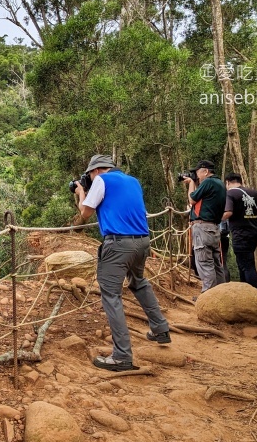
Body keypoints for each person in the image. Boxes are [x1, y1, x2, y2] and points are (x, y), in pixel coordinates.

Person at [75, 155, 171, 372]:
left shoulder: (102, 180)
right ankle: (160, 329)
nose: (90, 177)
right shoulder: (133, 181)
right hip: (142, 241)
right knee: (139, 282)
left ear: (97, 170)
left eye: (90, 174)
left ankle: (121, 356)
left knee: (111, 295)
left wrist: (81, 192)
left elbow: (85, 213)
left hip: (119, 244)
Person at [222, 173, 257, 290]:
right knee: (244, 264)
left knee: (247, 265)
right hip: (255, 232)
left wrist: (213, 218)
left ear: (228, 183)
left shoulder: (230, 193)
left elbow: (228, 212)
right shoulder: (253, 193)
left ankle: (256, 294)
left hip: (241, 233)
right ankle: (246, 292)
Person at [183, 159, 226, 293]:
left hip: (203, 228)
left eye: (197, 172)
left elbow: (192, 199)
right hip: (214, 228)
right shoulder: (220, 183)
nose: (197, 175)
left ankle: (208, 296)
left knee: (204, 263)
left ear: (206, 171)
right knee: (216, 264)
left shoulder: (208, 182)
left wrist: (191, 183)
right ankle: (221, 294)